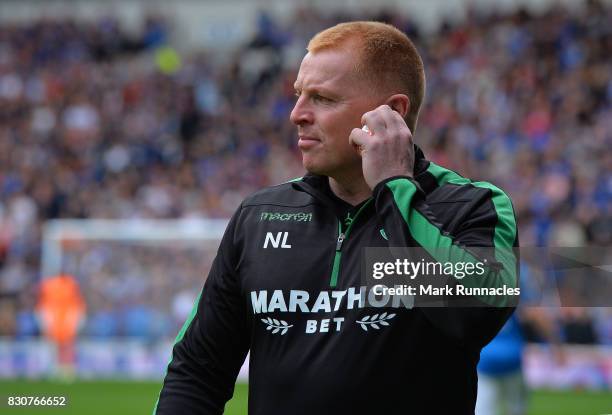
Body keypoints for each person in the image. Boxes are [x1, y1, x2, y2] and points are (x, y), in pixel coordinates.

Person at [154, 21, 519, 414]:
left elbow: (474, 315)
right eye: (298, 95)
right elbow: (196, 373)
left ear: (391, 112)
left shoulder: (472, 206)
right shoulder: (261, 217)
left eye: (323, 98)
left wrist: (394, 186)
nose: (296, 114)